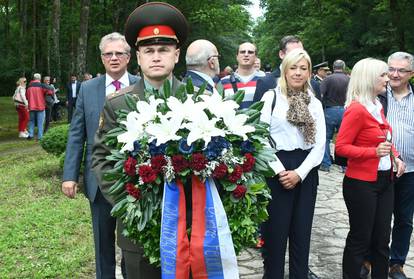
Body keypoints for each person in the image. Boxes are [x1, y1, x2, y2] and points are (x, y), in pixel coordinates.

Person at [92, 2, 189, 278]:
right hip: (138, 228)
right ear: (138, 56)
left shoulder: (197, 101)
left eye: (163, 50)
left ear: (177, 54)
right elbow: (101, 158)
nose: (156, 57)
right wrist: (130, 201)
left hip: (188, 225)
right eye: (149, 51)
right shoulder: (118, 105)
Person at [62, 32, 138, 279]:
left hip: (135, 182)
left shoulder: (142, 84)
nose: (114, 58)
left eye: (119, 53)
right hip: (98, 181)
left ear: (128, 57)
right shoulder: (87, 88)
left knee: (133, 246)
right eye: (109, 53)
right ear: (102, 58)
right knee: (102, 243)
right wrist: (69, 176)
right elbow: (76, 134)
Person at [335, 58, 405, 279]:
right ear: (369, 78)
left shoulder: (377, 105)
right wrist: (372, 153)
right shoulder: (357, 109)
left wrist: (396, 157)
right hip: (361, 184)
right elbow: (341, 148)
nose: (388, 79)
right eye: (383, 75)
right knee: (360, 239)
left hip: (385, 180)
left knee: (382, 240)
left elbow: (384, 138)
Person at [259, 48, 326, 278]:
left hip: (305, 169)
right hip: (277, 166)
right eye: (293, 67)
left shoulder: (314, 103)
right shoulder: (272, 97)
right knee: (275, 235)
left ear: (309, 72)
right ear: (284, 70)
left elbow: (320, 145)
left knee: (301, 233)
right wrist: (280, 171)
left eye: (303, 68)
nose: (298, 73)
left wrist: (300, 173)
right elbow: (260, 137)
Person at [382, 52, 414, 279]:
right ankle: (371, 259)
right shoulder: (378, 95)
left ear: (411, 74)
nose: (394, 74)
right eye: (391, 69)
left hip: (411, 170)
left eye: (401, 70)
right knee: (378, 218)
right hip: (381, 168)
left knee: (404, 219)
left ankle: (396, 263)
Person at [253, 35, 321, 103]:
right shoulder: (266, 83)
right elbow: (257, 112)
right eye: (293, 53)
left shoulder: (314, 85)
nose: (298, 57)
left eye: (301, 53)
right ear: (281, 54)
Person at [319, 60, 350, 172]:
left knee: (325, 138)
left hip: (330, 111)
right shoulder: (349, 80)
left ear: (333, 67)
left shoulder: (327, 79)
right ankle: (344, 166)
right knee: (345, 139)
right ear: (344, 67)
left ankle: (326, 164)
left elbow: (321, 95)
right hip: (346, 111)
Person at [220, 42, 264, 108]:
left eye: (250, 52)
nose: (246, 54)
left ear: (256, 57)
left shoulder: (265, 80)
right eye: (242, 52)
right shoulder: (223, 82)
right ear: (237, 56)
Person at [26, 73, 53, 140]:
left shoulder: (29, 86)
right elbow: (50, 92)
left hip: (31, 106)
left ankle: (30, 135)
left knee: (31, 121)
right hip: (40, 106)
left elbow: (26, 96)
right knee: (40, 122)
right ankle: (40, 137)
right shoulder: (42, 86)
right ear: (40, 79)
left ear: (33, 78)